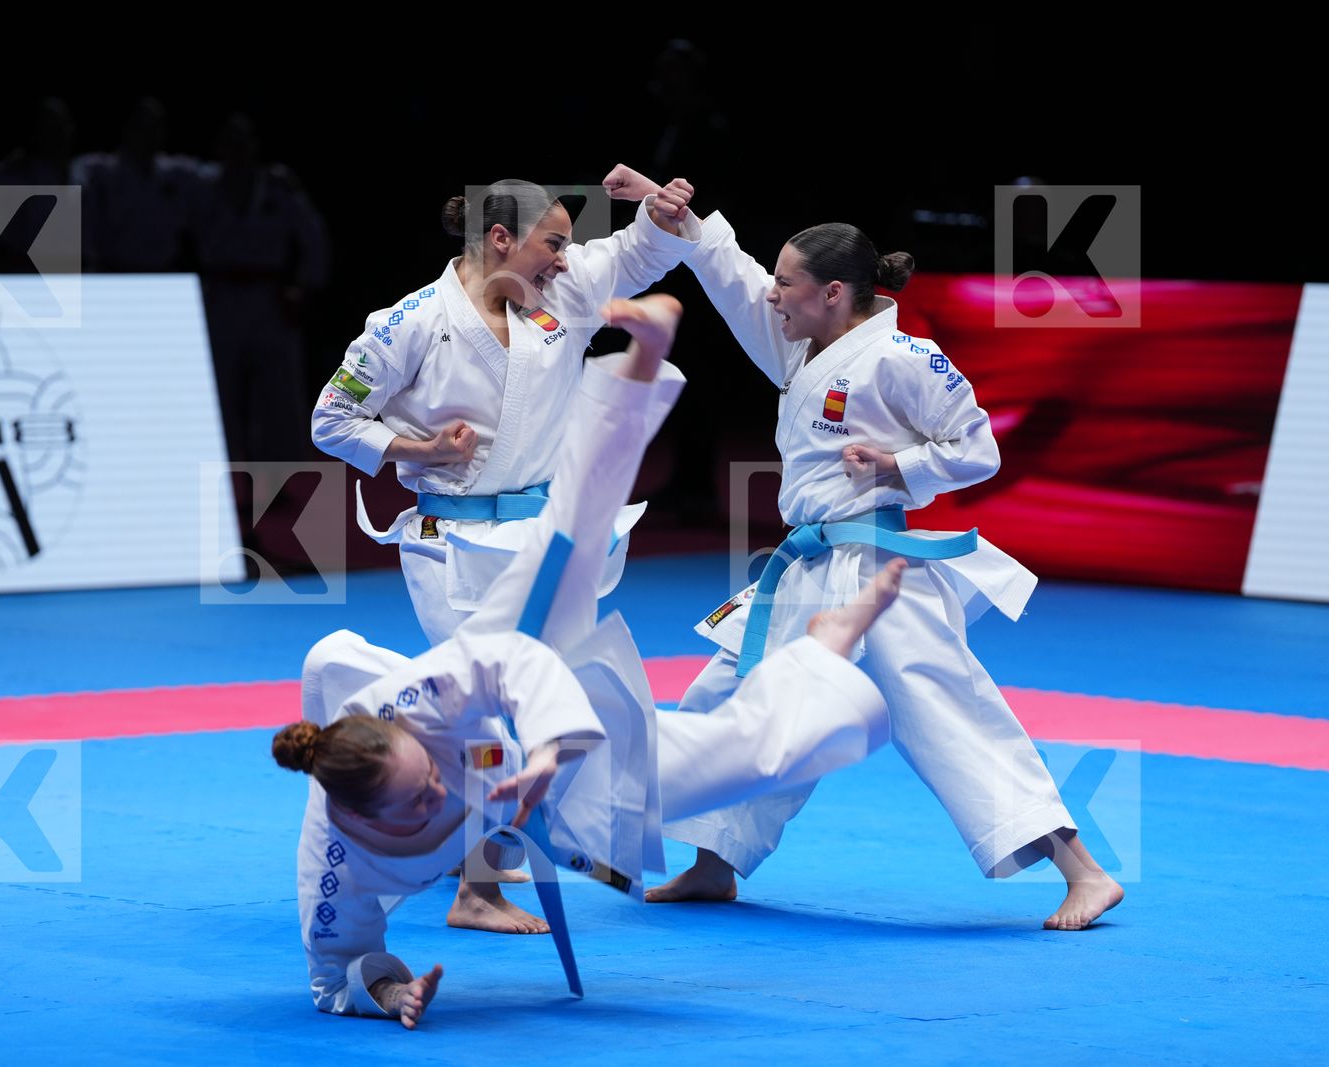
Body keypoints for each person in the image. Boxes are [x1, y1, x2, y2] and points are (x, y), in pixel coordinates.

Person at [276, 295, 904, 1026]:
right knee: (740, 765)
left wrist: (546, 749)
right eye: (419, 800)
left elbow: (512, 658)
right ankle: (823, 650)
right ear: (356, 817)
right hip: (552, 791)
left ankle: (640, 363)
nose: (437, 789)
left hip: (529, 717)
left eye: (428, 774)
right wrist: (392, 992)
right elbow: (334, 970)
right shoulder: (338, 864)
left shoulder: (415, 703)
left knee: (566, 536)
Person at [600, 170, 1122, 932]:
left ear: (835, 292)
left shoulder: (905, 358)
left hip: (879, 571)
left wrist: (898, 468)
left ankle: (1086, 871)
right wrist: (672, 208)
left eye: (789, 285)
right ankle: (713, 862)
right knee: (729, 696)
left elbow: (978, 450)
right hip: (808, 568)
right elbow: (736, 275)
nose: (773, 296)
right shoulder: (800, 345)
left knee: (948, 714)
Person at [310, 169, 698, 647]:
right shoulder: (409, 322)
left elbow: (631, 252)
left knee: (551, 692)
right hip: (450, 542)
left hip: (544, 531)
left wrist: (660, 216)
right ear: (501, 238)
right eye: (553, 245)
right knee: (480, 695)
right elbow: (331, 420)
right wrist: (423, 449)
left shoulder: (565, 293)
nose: (562, 262)